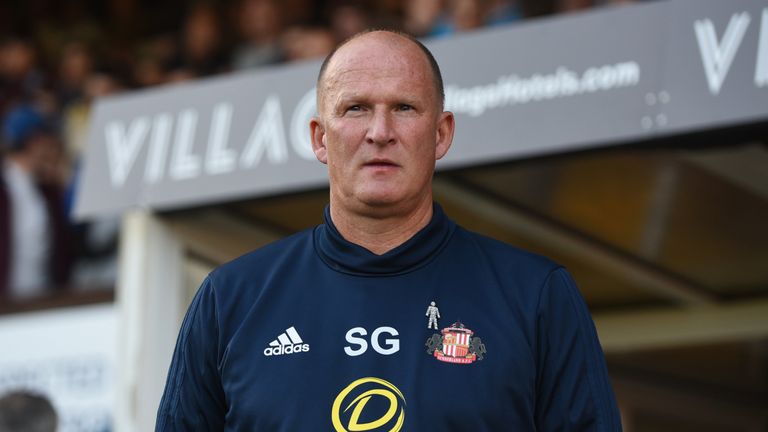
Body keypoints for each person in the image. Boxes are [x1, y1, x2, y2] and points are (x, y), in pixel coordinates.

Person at [157, 30, 621, 431]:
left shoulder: (536, 295)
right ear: (320, 137)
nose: (380, 131)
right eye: (356, 108)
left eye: (404, 107)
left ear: (441, 133)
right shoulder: (230, 300)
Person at [0, 105, 71, 300]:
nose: (52, 149)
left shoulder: (47, 193)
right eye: (48, 142)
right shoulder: (7, 190)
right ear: (35, 143)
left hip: (40, 310)